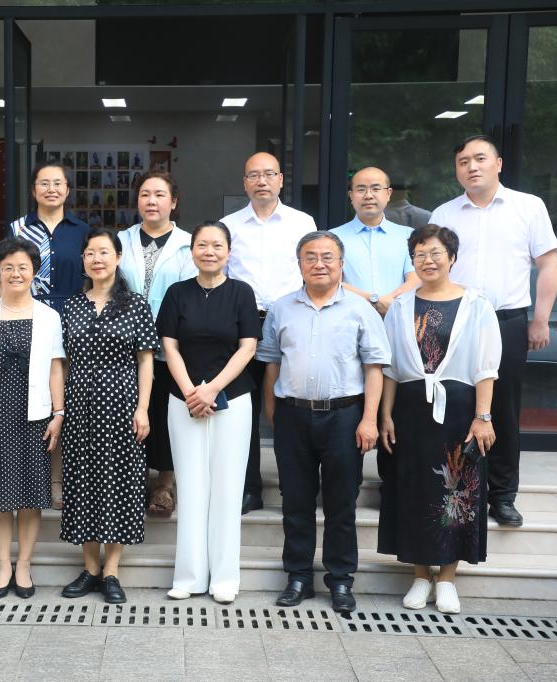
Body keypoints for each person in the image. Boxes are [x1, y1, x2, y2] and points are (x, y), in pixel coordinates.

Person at [429, 134, 557, 527]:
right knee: (454, 406)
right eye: (463, 161)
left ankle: (502, 496)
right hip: (455, 322)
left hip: (507, 321)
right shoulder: (444, 213)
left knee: (502, 409)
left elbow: (548, 265)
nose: (472, 167)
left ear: (498, 164)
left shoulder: (528, 207)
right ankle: (457, 488)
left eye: (480, 158)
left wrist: (540, 319)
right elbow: (431, 270)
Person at [258, 231, 390, 614]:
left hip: (345, 417)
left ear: (341, 264)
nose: (319, 264)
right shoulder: (282, 308)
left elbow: (375, 368)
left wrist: (369, 420)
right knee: (295, 501)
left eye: (328, 257)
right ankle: (298, 577)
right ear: (299, 264)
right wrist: (274, 412)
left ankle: (341, 580)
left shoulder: (361, 310)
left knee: (341, 503)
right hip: (293, 415)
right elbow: (272, 364)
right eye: (311, 257)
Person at [378, 224, 501, 614]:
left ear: (452, 257)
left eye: (435, 253)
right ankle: (419, 575)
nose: (427, 260)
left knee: (457, 491)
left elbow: (486, 367)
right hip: (410, 410)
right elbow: (390, 368)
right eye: (419, 254)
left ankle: (447, 578)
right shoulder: (400, 307)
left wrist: (483, 416)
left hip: (460, 409)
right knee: (413, 488)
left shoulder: (476, 304)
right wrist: (385, 415)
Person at [158, 221, 261, 604]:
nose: (209, 252)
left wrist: (213, 388)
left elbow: (248, 347)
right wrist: (191, 391)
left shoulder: (241, 292)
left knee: (227, 488)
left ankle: (224, 577)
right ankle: (189, 576)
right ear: (192, 251)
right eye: (202, 245)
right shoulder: (177, 293)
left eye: (217, 245)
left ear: (228, 252)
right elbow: (169, 346)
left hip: (232, 399)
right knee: (191, 486)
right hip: (182, 399)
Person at [0, 238, 66, 600]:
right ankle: (4, 565)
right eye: (8, 267)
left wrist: (58, 413)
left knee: (31, 497)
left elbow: (56, 370)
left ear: (34, 272)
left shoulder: (49, 317)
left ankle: (24, 564)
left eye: (23, 267)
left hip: (35, 416)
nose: (15, 273)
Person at [59, 228, 159, 604]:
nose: (97, 259)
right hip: (79, 407)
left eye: (104, 252)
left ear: (118, 258)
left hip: (121, 406)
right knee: (83, 483)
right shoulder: (72, 306)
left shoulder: (135, 305)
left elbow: (145, 360)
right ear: (83, 261)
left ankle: (112, 570)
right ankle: (90, 568)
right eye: (90, 253)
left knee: (119, 483)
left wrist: (143, 408)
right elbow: (62, 363)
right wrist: (60, 408)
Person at [222, 152, 317, 515]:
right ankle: (249, 488)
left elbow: (311, 269)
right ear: (244, 182)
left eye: (268, 174)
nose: (261, 181)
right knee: (243, 409)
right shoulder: (229, 225)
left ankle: (296, 485)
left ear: (280, 179)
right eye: (253, 175)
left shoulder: (301, 222)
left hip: (291, 320)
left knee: (289, 406)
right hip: (243, 324)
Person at [10, 161, 91, 509]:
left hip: (73, 320)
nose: (51, 189)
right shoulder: (18, 229)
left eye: (58, 183)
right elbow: (8, 275)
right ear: (33, 190)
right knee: (26, 400)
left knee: (61, 404)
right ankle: (23, 477)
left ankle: (57, 481)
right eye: (44, 183)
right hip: (28, 317)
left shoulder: (83, 231)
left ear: (68, 190)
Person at [117, 171, 196, 518]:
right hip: (125, 343)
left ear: (173, 202)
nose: (152, 201)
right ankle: (132, 481)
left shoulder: (188, 244)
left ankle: (164, 484)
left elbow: (190, 293)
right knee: (128, 413)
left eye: (160, 195)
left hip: (170, 343)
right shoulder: (120, 241)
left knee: (164, 414)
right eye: (145, 194)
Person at [330, 167, 419, 316]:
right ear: (351, 196)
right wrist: (374, 300)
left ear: (388, 194)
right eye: (361, 189)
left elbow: (415, 278)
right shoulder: (332, 238)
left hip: (397, 317)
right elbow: (333, 283)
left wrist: (390, 302)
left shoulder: (408, 235)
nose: (368, 195)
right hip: (349, 319)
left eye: (376, 189)